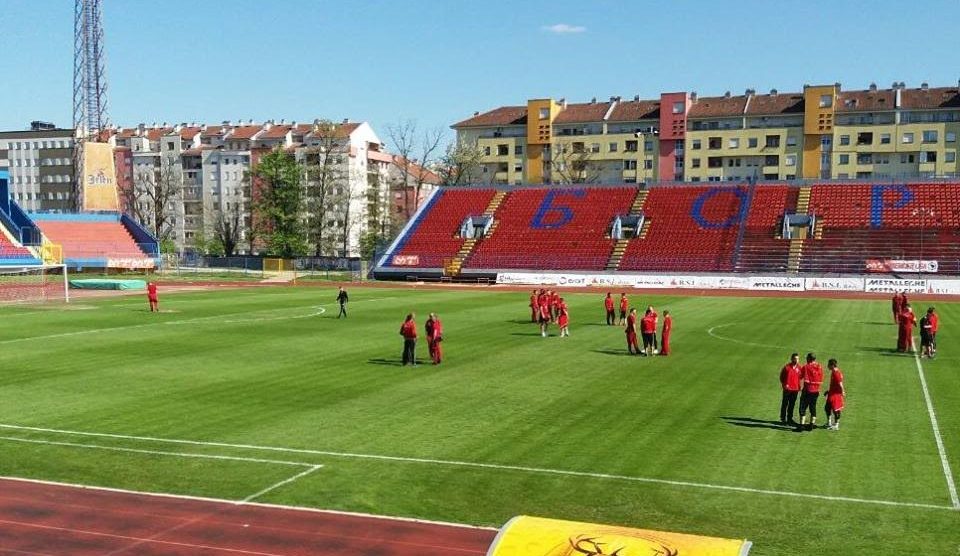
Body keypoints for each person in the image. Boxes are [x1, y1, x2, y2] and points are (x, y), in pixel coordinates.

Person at [798, 353, 823, 431]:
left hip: (807, 390)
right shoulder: (819, 366)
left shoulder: (806, 367)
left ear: (809, 359)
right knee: (813, 407)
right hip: (816, 391)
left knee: (802, 407)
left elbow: (800, 376)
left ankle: (801, 426)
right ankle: (811, 425)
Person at [779, 353, 802, 425]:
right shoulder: (786, 367)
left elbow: (800, 377)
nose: (797, 360)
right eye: (795, 359)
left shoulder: (799, 368)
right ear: (792, 359)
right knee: (785, 404)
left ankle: (790, 419)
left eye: (798, 359)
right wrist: (785, 385)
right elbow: (781, 377)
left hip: (795, 389)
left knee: (792, 404)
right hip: (787, 389)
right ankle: (783, 419)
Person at [824, 358, 845, 430]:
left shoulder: (836, 373)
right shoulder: (833, 372)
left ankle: (836, 425)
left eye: (829, 365)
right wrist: (828, 391)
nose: (827, 366)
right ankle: (829, 423)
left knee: (836, 410)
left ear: (832, 365)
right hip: (831, 393)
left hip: (836, 395)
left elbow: (840, 383)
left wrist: (843, 391)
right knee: (827, 408)